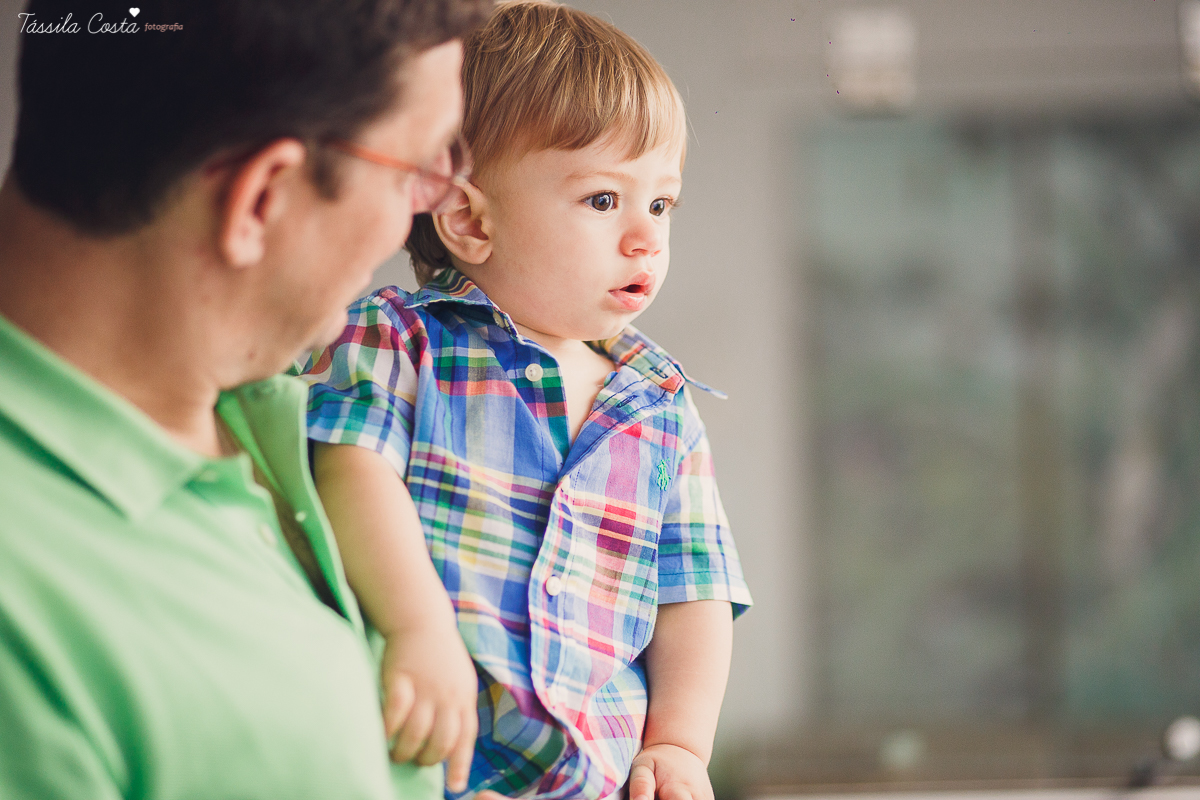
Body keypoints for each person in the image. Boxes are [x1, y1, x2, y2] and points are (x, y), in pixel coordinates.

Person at [0, 0, 492, 798]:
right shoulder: (22, 623)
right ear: (262, 198)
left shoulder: (278, 399)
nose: (434, 204)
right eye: (419, 169)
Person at [299, 3, 753, 799]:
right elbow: (350, 473)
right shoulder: (399, 339)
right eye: (604, 200)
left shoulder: (660, 406)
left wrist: (680, 743)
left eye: (661, 204)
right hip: (428, 757)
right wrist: (416, 628)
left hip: (597, 778)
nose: (646, 237)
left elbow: (694, 591)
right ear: (470, 219)